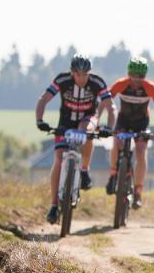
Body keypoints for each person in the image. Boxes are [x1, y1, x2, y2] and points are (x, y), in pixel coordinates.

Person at [35, 54, 116, 224]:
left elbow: (110, 107)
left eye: (85, 74)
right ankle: (54, 205)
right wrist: (40, 120)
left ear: (89, 73)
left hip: (88, 118)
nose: (81, 78)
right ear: (72, 73)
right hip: (65, 122)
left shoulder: (97, 82)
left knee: (85, 131)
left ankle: (84, 170)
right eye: (78, 74)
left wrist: (109, 127)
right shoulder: (62, 80)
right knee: (58, 160)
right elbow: (43, 100)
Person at [106, 57, 154, 208]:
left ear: (145, 76)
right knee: (117, 143)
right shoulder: (121, 84)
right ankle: (114, 173)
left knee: (141, 152)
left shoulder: (150, 87)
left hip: (141, 123)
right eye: (133, 75)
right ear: (128, 73)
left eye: (141, 76)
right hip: (123, 121)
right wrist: (105, 120)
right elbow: (104, 100)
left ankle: (138, 191)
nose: (136, 79)